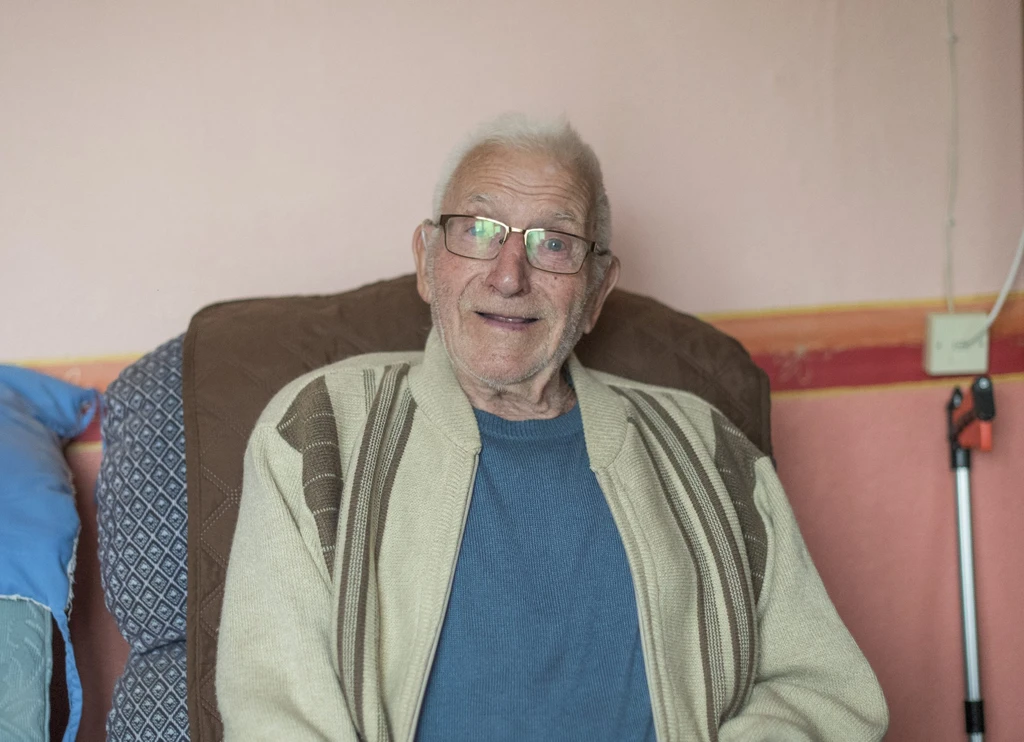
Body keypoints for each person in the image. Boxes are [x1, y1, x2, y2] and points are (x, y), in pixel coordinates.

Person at [217, 114, 889, 741]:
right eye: (478, 231)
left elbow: (824, 690)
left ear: (596, 291)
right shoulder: (319, 429)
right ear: (427, 261)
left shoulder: (710, 451)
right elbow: (275, 713)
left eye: (555, 244)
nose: (510, 275)